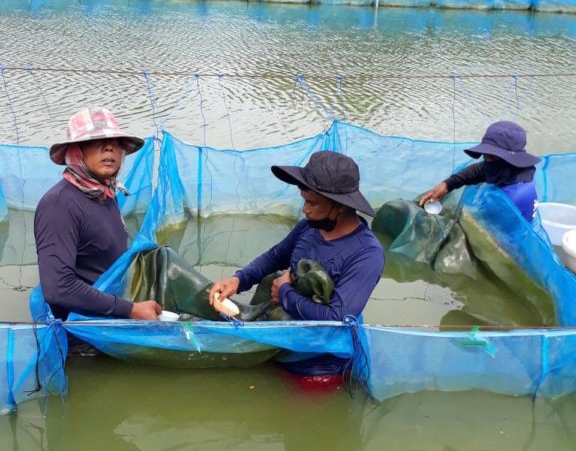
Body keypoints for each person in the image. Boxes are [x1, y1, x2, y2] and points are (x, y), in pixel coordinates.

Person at [209, 150, 384, 382]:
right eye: (304, 200)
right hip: (277, 346)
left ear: (339, 206)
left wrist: (284, 292)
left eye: (312, 203)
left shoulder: (367, 254)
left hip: (316, 368)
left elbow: (337, 318)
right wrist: (238, 280)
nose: (305, 209)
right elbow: (274, 257)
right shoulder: (309, 228)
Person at [34, 107, 161, 321]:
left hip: (109, 316)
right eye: (95, 141)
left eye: (116, 142)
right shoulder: (59, 205)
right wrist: (130, 310)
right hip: (79, 331)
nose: (109, 148)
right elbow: (58, 288)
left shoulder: (105, 194)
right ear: (76, 151)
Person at [419, 120, 541, 223]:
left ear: (510, 160)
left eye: (491, 157)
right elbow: (480, 170)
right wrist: (447, 185)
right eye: (485, 156)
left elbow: (486, 235)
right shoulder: (516, 172)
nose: (486, 162)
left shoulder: (509, 200)